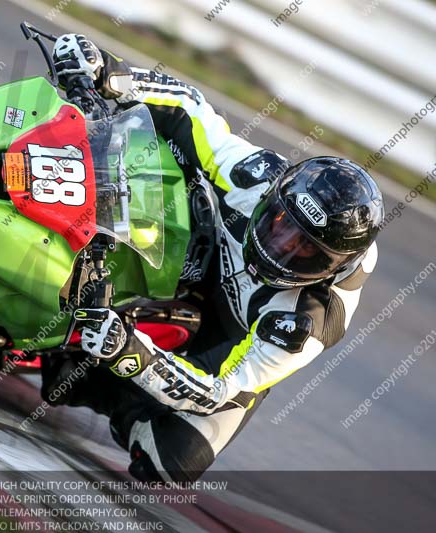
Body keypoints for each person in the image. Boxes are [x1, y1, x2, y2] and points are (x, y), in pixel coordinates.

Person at [41, 34, 385, 481]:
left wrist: (129, 354)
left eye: (306, 253)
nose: (281, 248)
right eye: (280, 225)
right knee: (158, 150)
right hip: (194, 245)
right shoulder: (256, 177)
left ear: (333, 269)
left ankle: (81, 374)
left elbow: (218, 389)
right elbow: (190, 108)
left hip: (231, 336)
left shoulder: (307, 322)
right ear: (274, 197)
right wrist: (108, 73)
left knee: (172, 464)